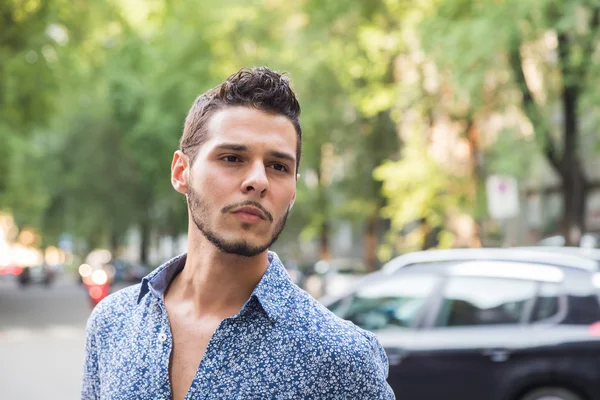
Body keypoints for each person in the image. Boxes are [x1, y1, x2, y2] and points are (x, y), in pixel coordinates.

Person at [81, 67, 395, 399]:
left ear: (293, 191)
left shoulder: (341, 358)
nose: (258, 180)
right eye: (232, 157)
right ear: (181, 172)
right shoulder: (113, 324)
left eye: (278, 167)